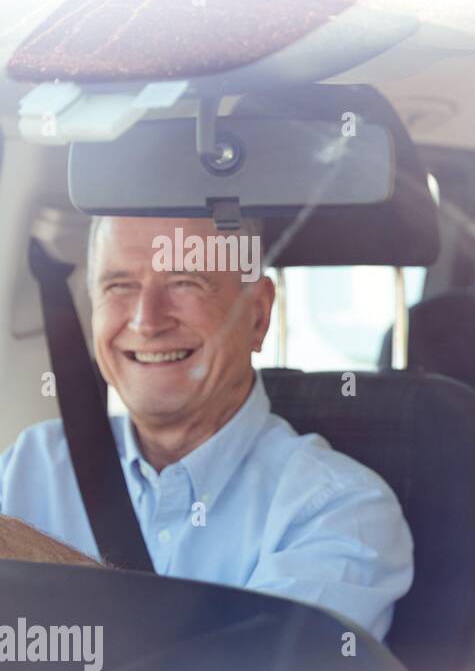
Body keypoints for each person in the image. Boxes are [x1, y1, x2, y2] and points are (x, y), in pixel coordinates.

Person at [0, 215, 413, 640]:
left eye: (185, 282)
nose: (147, 321)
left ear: (257, 314)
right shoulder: (27, 465)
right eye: (119, 286)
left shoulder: (341, 510)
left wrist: (26, 560)